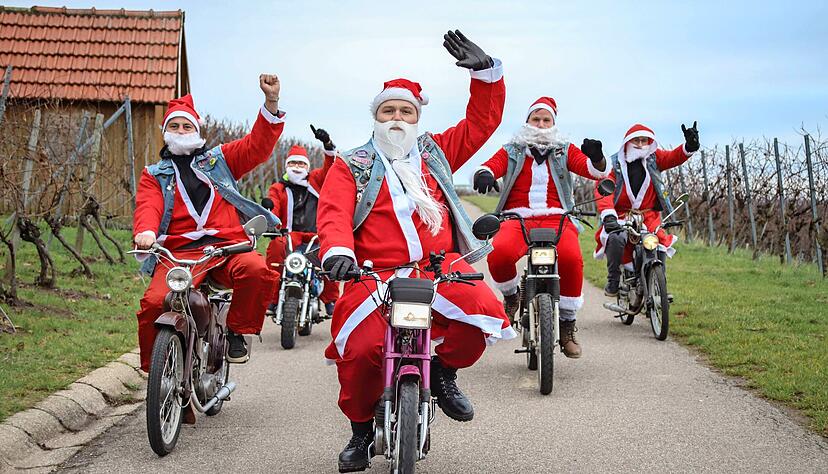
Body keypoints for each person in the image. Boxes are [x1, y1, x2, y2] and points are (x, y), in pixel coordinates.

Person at [317, 30, 515, 473]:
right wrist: (336, 253)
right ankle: (361, 431)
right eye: (388, 109)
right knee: (363, 351)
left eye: (406, 110)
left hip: (435, 273)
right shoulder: (351, 163)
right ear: (375, 116)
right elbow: (332, 214)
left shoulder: (436, 152)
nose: (397, 117)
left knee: (479, 313)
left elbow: (481, 124)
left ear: (417, 117)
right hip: (373, 275)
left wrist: (486, 75)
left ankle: (442, 370)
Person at [132, 75, 284, 371]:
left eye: (186, 125)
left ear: (197, 130)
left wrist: (271, 102)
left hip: (226, 248)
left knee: (255, 269)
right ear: (165, 133)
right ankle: (158, 375)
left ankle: (237, 330)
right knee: (153, 303)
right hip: (180, 253)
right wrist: (146, 232)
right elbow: (148, 205)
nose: (180, 130)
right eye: (174, 126)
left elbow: (257, 147)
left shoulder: (220, 160)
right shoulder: (154, 174)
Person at [473, 96, 610, 358]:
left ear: (553, 123)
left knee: (571, 258)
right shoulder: (512, 149)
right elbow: (491, 165)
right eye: (536, 119)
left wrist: (598, 159)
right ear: (527, 122)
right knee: (498, 251)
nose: (541, 124)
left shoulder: (564, 149)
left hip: (557, 217)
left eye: (546, 120)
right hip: (517, 218)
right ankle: (512, 296)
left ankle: (567, 324)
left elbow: (593, 171)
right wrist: (485, 173)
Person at [595, 122, 699, 296]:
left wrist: (689, 146)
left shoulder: (654, 158)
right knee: (616, 238)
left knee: (658, 244)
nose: (641, 145)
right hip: (621, 216)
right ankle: (613, 278)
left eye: (644, 141)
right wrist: (608, 215)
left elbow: (673, 157)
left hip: (649, 217)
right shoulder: (614, 164)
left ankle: (660, 286)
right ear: (627, 142)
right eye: (637, 140)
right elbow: (604, 190)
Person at [264, 127, 339, 316]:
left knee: (331, 256)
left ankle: (331, 299)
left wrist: (328, 145)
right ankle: (273, 299)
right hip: (289, 235)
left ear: (307, 166)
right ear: (287, 166)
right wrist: (268, 211)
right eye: (293, 163)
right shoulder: (278, 187)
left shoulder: (316, 180)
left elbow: (330, 168)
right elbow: (273, 206)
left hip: (316, 235)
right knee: (274, 251)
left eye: (301, 163)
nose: (297, 166)